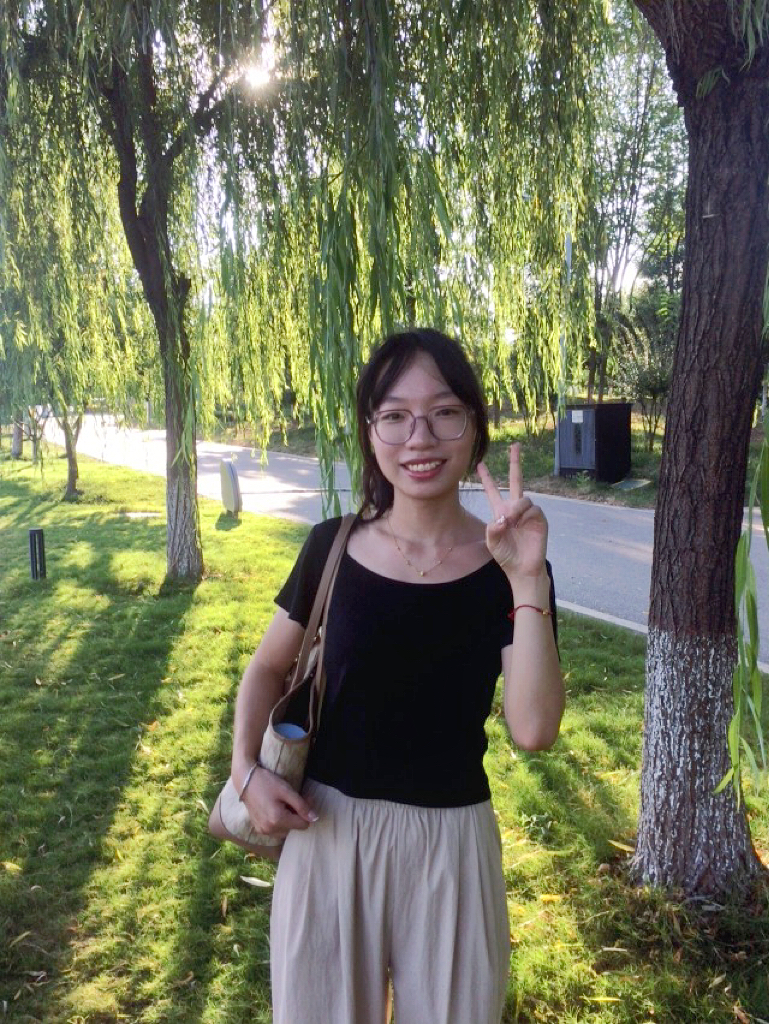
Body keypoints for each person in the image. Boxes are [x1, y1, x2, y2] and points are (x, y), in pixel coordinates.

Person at [230, 328, 564, 1024]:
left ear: (474, 425)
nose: (420, 438)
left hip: (453, 847)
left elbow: (533, 730)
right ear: (370, 430)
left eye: (443, 413)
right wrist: (246, 773)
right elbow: (266, 668)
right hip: (327, 834)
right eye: (395, 416)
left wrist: (527, 577)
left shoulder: (510, 568)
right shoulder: (333, 546)